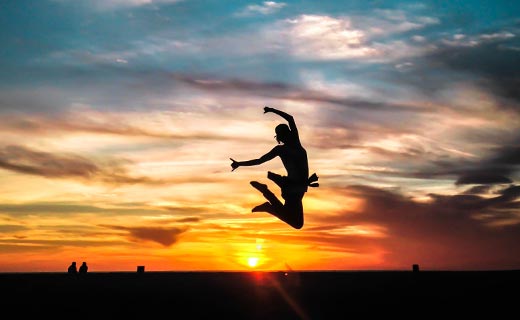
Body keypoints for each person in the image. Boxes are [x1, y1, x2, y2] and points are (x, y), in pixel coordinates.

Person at [230, 106, 318, 229]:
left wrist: (272, 110)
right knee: (297, 223)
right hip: (293, 188)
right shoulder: (290, 146)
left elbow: (290, 119)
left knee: (293, 220)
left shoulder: (290, 144)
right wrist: (240, 163)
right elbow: (259, 161)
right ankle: (267, 199)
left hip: (295, 188)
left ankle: (267, 196)